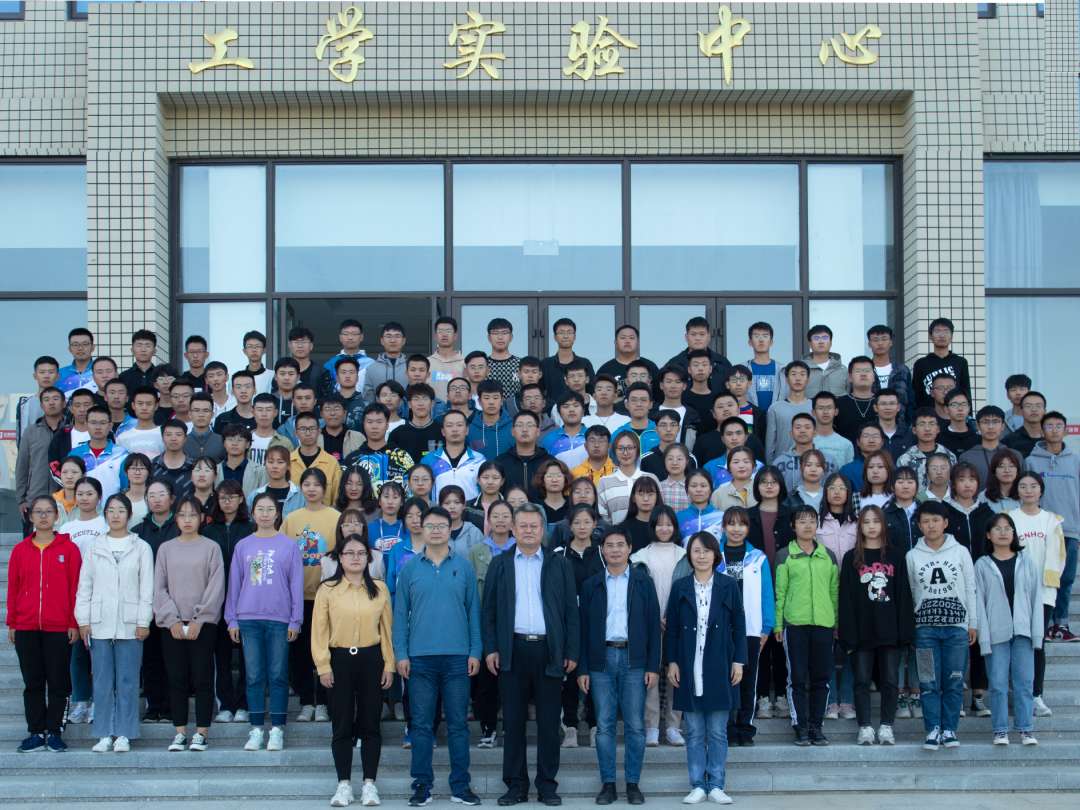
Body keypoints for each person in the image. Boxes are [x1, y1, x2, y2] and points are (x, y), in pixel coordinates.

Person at [480, 503, 578, 806]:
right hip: (512, 650)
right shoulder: (500, 564)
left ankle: (547, 785)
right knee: (513, 722)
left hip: (549, 650)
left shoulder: (559, 564)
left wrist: (571, 650)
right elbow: (489, 612)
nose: (528, 530)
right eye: (522, 525)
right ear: (513, 528)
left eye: (534, 525)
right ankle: (516, 786)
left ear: (542, 529)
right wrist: (491, 648)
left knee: (549, 724)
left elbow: (571, 612)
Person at [393, 505, 483, 807]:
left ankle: (461, 786)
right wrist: (401, 653)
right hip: (420, 659)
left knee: (458, 725)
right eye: (429, 525)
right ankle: (422, 785)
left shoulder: (464, 567)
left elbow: (473, 613)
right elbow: (399, 615)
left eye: (441, 526)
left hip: (458, 658)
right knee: (421, 726)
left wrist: (475, 651)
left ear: (449, 529)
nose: (435, 530)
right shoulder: (410, 568)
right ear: (421, 528)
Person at [578, 527, 661, 806]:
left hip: (634, 660)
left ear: (629, 548)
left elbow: (653, 626)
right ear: (602, 550)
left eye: (620, 544)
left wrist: (653, 666)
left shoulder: (642, 582)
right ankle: (609, 784)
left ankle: (633, 783)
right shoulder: (591, 584)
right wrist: (583, 668)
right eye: (609, 545)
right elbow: (582, 629)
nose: (615, 549)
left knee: (636, 725)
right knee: (604, 725)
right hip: (600, 660)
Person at [312, 532, 395, 808]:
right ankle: (344, 784)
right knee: (342, 724)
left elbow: (387, 630)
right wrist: (323, 665)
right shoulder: (328, 589)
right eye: (349, 553)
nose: (355, 558)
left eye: (361, 553)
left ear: (368, 558)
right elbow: (319, 631)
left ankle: (369, 784)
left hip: (372, 659)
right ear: (340, 557)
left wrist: (389, 664)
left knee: (371, 723)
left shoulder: (379, 589)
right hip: (339, 660)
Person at [665, 530, 745, 805]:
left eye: (706, 551)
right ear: (689, 555)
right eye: (696, 551)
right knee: (695, 731)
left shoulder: (728, 585)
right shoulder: (680, 587)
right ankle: (698, 784)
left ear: (715, 555)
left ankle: (717, 784)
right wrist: (672, 661)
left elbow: (739, 625)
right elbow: (672, 629)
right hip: (689, 665)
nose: (701, 556)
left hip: (719, 663)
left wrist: (738, 661)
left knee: (718, 731)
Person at [224, 492, 303, 753]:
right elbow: (234, 584)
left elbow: (296, 585)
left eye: (270, 509)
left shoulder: (289, 546)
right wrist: (232, 619)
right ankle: (256, 728)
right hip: (248, 618)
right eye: (261, 509)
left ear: (277, 514)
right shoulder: (243, 546)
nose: (266, 514)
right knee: (254, 675)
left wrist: (295, 620)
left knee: (278, 675)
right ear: (253, 513)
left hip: (279, 619)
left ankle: (277, 729)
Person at [75, 493, 154, 753]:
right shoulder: (95, 547)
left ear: (129, 515)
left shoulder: (141, 547)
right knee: (102, 681)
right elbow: (84, 586)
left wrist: (143, 620)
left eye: (121, 510)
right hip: (99, 622)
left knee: (128, 681)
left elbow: (147, 588)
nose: (116, 515)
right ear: (105, 514)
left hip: (131, 624)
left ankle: (125, 733)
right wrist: (83, 620)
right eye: (111, 510)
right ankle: (104, 733)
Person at [7, 496, 81, 753]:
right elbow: (13, 589)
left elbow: (75, 588)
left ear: (56, 516)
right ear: (30, 517)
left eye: (48, 511)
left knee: (59, 682)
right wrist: (13, 622)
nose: (43, 516)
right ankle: (36, 732)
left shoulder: (69, 549)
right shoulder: (20, 550)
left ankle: (55, 731)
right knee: (33, 682)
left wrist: (73, 622)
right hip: (26, 627)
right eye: (38, 512)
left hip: (59, 627)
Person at [154, 496, 226, 752]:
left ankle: (202, 732)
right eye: (182, 515)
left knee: (203, 678)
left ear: (202, 518)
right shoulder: (166, 549)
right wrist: (171, 619)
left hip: (203, 625)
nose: (187, 520)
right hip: (172, 625)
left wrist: (199, 619)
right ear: (176, 518)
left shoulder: (211, 548)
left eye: (192, 515)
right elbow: (159, 587)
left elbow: (216, 587)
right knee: (176, 678)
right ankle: (180, 732)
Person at [837, 506, 912, 746]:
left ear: (883, 525)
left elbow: (903, 595)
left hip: (890, 630)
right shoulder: (851, 557)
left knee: (890, 680)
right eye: (866, 522)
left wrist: (904, 633)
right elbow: (846, 599)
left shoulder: (896, 556)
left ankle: (887, 726)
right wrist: (848, 634)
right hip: (862, 632)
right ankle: (865, 727)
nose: (871, 526)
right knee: (861, 680)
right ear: (860, 526)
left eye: (876, 521)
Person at [905, 500, 977, 750]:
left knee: (954, 680)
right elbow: (911, 592)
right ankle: (932, 729)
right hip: (925, 630)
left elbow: (970, 588)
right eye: (925, 521)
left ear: (945, 523)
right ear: (919, 525)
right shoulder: (912, 556)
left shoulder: (960, 552)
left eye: (936, 520)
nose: (931, 525)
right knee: (928, 682)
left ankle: (949, 729)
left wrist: (972, 623)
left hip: (956, 628)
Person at [774, 504, 838, 746]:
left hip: (824, 623)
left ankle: (816, 726)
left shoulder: (827, 555)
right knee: (797, 678)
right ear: (793, 526)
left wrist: (836, 623)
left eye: (812, 520)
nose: (807, 525)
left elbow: (834, 592)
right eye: (802, 521)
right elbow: (780, 592)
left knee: (822, 678)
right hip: (795, 624)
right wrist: (778, 625)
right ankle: (800, 726)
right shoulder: (785, 555)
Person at [975, 513, 1042, 746]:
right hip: (996, 633)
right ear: (988, 535)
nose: (1003, 532)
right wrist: (984, 636)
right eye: (997, 528)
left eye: (1007, 528)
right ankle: (1000, 730)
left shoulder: (1027, 561)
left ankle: (1026, 729)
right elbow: (979, 603)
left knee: (1024, 684)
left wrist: (1037, 633)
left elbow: (1036, 598)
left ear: (1014, 533)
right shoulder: (982, 564)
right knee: (998, 684)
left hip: (1023, 632)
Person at [283, 467, 341, 723]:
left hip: (329, 598)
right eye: (307, 484)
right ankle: (307, 702)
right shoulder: (292, 519)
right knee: (302, 653)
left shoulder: (336, 517)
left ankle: (325, 703)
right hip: (299, 599)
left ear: (324, 488)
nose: (312, 489)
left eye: (317, 484)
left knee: (326, 651)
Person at [1008, 472, 1067, 717]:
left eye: (1033, 486)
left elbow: (1059, 556)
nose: (1029, 490)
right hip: (1014, 591)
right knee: (1015, 642)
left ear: (1041, 490)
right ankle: (1016, 693)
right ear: (1017, 490)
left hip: (1043, 592)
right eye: (1023, 486)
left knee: (1037, 643)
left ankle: (1036, 695)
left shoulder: (1051, 520)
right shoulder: (1009, 518)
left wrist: (1048, 583)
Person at [630, 506, 686, 748]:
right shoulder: (639, 557)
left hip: (678, 625)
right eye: (659, 524)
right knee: (650, 675)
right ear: (652, 526)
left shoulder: (685, 556)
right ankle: (651, 726)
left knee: (676, 675)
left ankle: (673, 726)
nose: (664, 528)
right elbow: (636, 596)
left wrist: (673, 617)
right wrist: (655, 618)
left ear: (675, 527)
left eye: (669, 524)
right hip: (649, 625)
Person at [551, 504, 604, 748]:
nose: (582, 527)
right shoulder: (559, 554)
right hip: (567, 624)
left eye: (587, 522)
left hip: (597, 623)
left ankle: (594, 725)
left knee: (595, 674)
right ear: (569, 526)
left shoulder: (602, 552)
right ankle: (570, 726)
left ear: (595, 524)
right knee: (569, 675)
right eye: (577, 522)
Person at [1025, 411, 1080, 643]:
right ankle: (1045, 624)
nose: (1054, 430)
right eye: (1049, 426)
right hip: (1042, 530)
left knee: (1066, 580)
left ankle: (1062, 624)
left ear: (1066, 431)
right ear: (1042, 430)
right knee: (1045, 580)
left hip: (1070, 530)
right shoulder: (1031, 461)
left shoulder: (1075, 460)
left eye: (1059, 426)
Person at [204, 480, 256, 723]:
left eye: (232, 497)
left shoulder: (250, 528)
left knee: (247, 656)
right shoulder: (209, 530)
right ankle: (225, 705)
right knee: (221, 656)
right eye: (223, 497)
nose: (227, 502)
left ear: (241, 499)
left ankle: (244, 704)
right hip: (216, 600)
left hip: (247, 599)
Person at [747, 467, 790, 722]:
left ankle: (782, 695)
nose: (769, 485)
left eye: (774, 481)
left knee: (781, 643)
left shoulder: (791, 514)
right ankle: (762, 696)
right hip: (756, 587)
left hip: (786, 587)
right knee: (761, 642)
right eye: (764, 481)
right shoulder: (748, 516)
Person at [63, 476, 107, 723]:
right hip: (75, 594)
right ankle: (81, 700)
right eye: (80, 494)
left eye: (89, 494)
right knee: (77, 652)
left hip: (102, 593)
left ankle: (99, 701)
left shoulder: (106, 524)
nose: (84, 498)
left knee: (99, 653)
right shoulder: (67, 528)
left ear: (99, 497)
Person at [816, 473, 857, 720]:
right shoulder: (817, 523)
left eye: (842, 488)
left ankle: (848, 700)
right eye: (832, 487)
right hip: (823, 589)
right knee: (827, 646)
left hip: (853, 590)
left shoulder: (857, 522)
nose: (837, 492)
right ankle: (831, 700)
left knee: (850, 645)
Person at [16, 385, 65, 532]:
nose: (51, 403)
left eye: (55, 399)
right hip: (34, 499)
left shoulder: (70, 430)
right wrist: (21, 500)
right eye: (47, 399)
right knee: (33, 543)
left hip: (65, 500)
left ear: (63, 403)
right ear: (42, 405)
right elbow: (22, 466)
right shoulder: (31, 431)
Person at [597, 431, 659, 525]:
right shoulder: (604, 482)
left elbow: (659, 511)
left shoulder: (651, 478)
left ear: (637, 450)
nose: (625, 453)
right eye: (620, 448)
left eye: (630, 448)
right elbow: (603, 518)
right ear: (614, 451)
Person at [421, 410, 484, 500]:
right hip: (438, 509)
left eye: (459, 425)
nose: (455, 429)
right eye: (449, 425)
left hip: (470, 509)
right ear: (443, 431)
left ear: (467, 430)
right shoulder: (429, 460)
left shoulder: (479, 460)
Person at [912, 318, 972, 409]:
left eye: (946, 331)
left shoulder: (960, 362)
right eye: (937, 331)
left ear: (951, 337)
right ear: (930, 336)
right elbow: (916, 395)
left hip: (953, 413)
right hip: (928, 414)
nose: (942, 335)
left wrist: (968, 415)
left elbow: (966, 391)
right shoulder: (921, 364)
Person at [665, 317, 733, 395]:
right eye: (693, 334)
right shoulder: (674, 364)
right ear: (686, 337)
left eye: (702, 334)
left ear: (709, 337)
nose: (698, 338)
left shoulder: (722, 363)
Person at [496, 410, 553, 500]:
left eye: (530, 425)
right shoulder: (500, 462)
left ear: (538, 431)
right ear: (512, 432)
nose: (525, 430)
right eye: (519, 425)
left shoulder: (549, 462)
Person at [896, 408, 957, 491]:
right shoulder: (905, 460)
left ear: (938, 429)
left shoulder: (950, 457)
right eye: (922, 424)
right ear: (914, 430)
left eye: (931, 424)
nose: (927, 429)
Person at [959, 405, 1022, 485]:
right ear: (978, 426)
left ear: (1003, 426)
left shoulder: (1015, 455)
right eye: (985, 422)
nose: (990, 427)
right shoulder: (967, 457)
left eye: (995, 422)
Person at [866, 324, 915, 426]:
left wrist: (909, 426)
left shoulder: (902, 370)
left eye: (884, 339)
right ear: (869, 344)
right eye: (875, 340)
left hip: (900, 427)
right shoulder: (864, 371)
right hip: (870, 428)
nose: (880, 343)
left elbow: (910, 402)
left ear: (891, 342)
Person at [765, 361, 812, 463]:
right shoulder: (775, 408)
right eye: (793, 374)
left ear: (808, 380)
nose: (798, 378)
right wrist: (770, 467)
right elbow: (770, 444)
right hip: (782, 464)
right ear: (786, 379)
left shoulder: (815, 407)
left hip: (810, 463)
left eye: (802, 374)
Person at [290, 413, 343, 504]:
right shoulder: (288, 461)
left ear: (319, 431)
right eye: (303, 429)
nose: (308, 433)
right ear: (296, 433)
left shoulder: (331, 463)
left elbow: (336, 500)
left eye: (312, 428)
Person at [597, 324, 659, 396]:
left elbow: (659, 395)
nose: (627, 341)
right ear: (615, 342)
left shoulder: (651, 367)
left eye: (631, 338)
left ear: (638, 342)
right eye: (623, 338)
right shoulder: (605, 370)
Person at [743, 321, 786, 413]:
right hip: (750, 416)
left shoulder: (783, 370)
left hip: (777, 416)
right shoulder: (743, 369)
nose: (761, 340)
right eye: (756, 336)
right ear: (750, 342)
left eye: (765, 336)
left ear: (771, 342)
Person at [834, 357, 879, 444]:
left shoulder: (882, 403)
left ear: (874, 377)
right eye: (858, 371)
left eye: (867, 371)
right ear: (850, 377)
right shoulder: (839, 404)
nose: (863, 374)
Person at [468, 380, 514, 461]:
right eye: (486, 398)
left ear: (502, 401)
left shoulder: (513, 427)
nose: (491, 402)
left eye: (495, 398)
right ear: (479, 401)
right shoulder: (470, 427)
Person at [428, 316, 466, 401]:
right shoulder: (427, 363)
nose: (444, 335)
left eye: (448, 331)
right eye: (440, 331)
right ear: (435, 336)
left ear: (455, 336)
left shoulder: (464, 363)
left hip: (457, 408)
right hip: (433, 409)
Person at [441, 485, 485, 556]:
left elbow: (481, 559)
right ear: (440, 506)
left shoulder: (474, 532)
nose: (452, 507)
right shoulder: (435, 532)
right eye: (447, 503)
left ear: (464, 505)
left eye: (457, 502)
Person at [709, 446, 758, 510]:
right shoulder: (719, 493)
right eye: (736, 462)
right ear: (728, 467)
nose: (741, 466)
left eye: (746, 462)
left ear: (754, 466)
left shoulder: (761, 488)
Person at [677, 469, 724, 538]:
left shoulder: (721, 517)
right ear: (687, 490)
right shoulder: (678, 517)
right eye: (693, 486)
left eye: (703, 486)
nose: (698, 490)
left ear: (711, 489)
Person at [873, 388, 915, 459]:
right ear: (875, 408)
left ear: (898, 407)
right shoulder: (869, 434)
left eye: (892, 403)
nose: (888, 408)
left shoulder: (909, 434)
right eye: (883, 404)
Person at [658, 444, 693, 512]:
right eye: (670, 459)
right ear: (664, 461)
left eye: (679, 459)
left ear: (687, 461)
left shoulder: (693, 487)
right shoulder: (659, 487)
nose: (674, 463)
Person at [122, 453, 152, 528]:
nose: (137, 472)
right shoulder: (119, 499)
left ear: (148, 472)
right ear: (126, 472)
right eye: (133, 468)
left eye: (142, 468)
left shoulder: (154, 498)